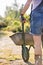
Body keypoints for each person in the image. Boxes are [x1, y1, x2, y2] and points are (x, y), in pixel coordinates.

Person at [21, 0, 43, 65]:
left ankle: (38, 63)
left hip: (37, 16)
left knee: (37, 43)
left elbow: (28, 2)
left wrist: (22, 14)